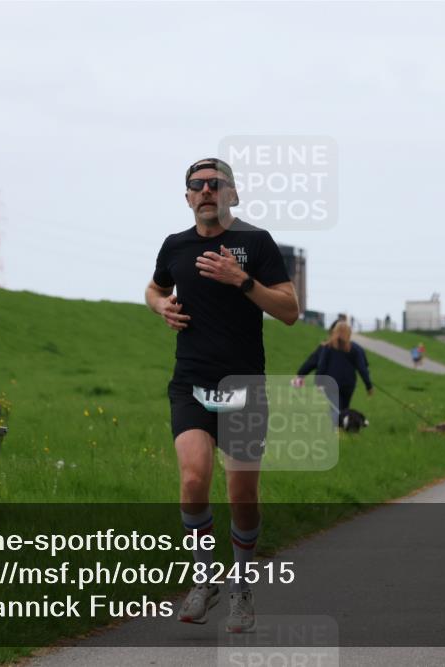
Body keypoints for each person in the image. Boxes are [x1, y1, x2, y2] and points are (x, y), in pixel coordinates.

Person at [145, 157, 299, 633]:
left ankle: (241, 587)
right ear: (188, 197)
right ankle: (204, 576)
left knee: (242, 494)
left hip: (244, 386)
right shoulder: (175, 246)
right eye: (198, 185)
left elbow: (291, 310)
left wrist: (244, 281)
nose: (207, 191)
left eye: (216, 184)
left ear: (233, 194)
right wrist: (162, 307)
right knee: (193, 480)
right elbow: (153, 288)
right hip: (190, 381)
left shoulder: (256, 243)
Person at [294, 321, 372, 426]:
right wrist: (369, 386)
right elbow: (363, 368)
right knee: (344, 408)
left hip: (330, 383)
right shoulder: (355, 349)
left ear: (334, 332)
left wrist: (318, 382)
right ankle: (345, 428)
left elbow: (321, 365)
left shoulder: (328, 347)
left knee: (335, 408)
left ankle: (338, 430)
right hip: (348, 384)